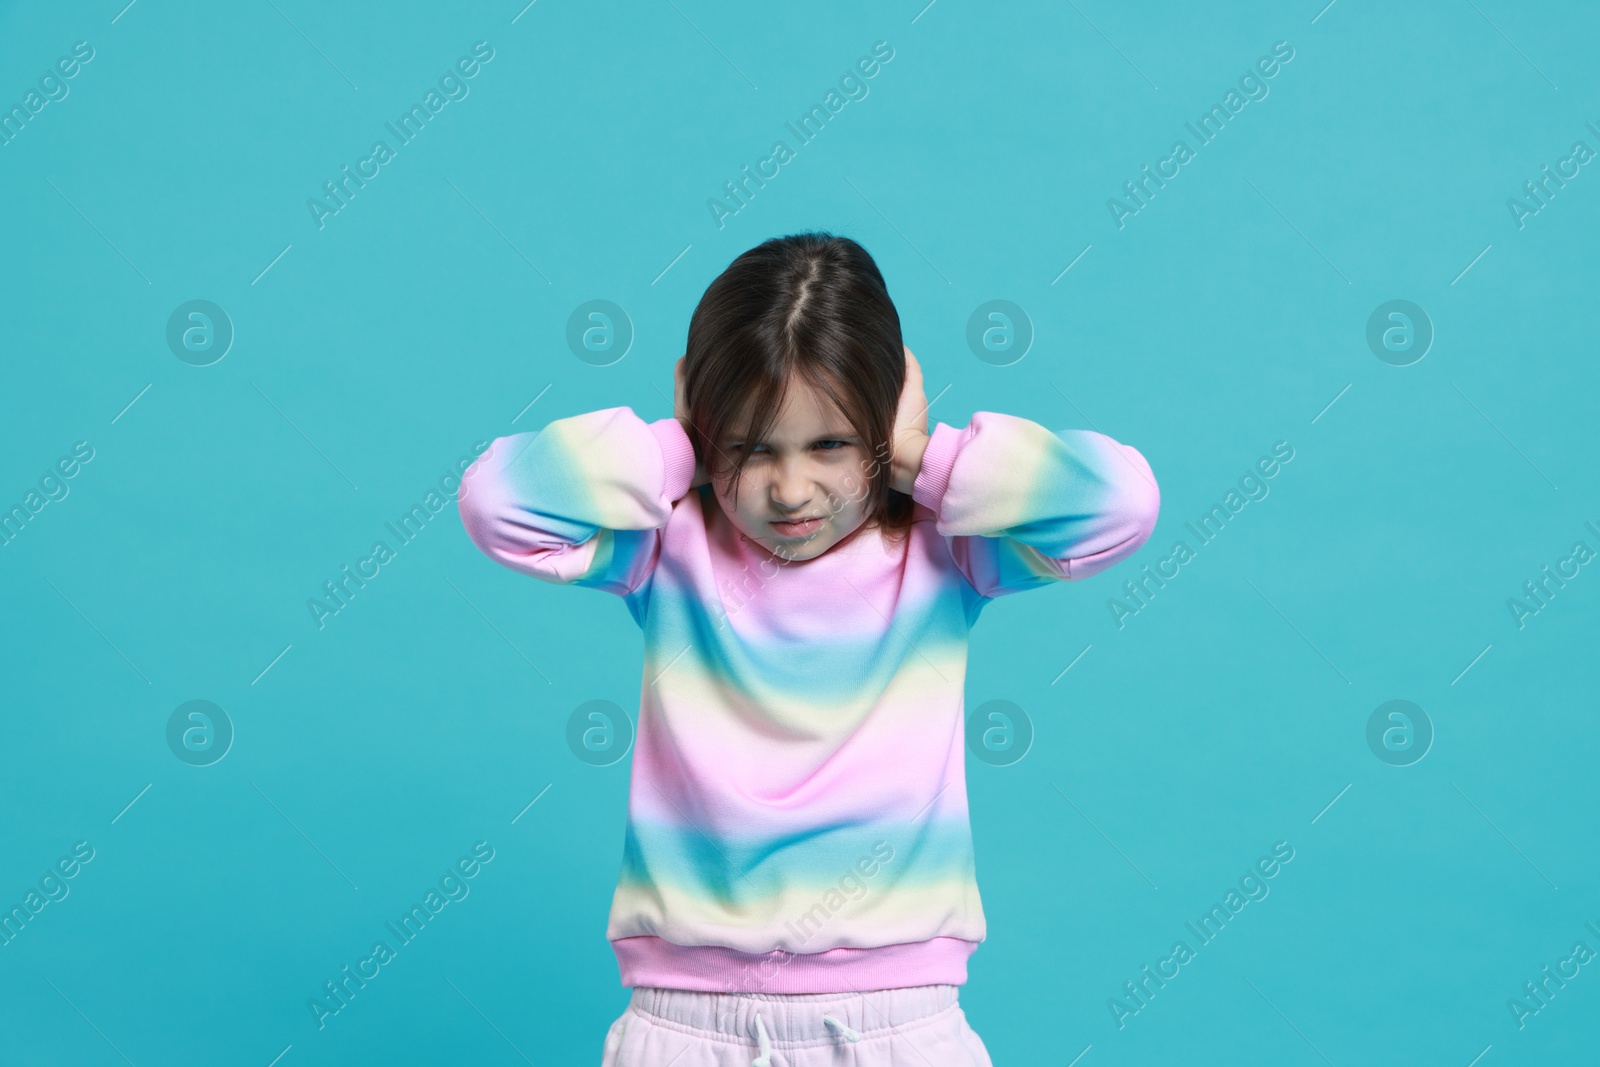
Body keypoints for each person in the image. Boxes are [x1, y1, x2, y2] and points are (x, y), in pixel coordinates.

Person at [457, 231, 1160, 1065]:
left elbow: (1122, 504)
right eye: (751, 448)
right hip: (686, 1022)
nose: (791, 490)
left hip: (899, 1019)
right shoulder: (667, 546)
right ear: (705, 424)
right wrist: (675, 445)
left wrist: (922, 456)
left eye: (830, 445)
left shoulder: (946, 549)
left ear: (884, 414)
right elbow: (497, 503)